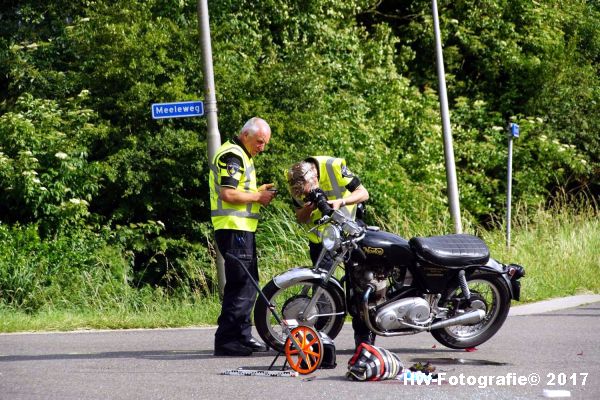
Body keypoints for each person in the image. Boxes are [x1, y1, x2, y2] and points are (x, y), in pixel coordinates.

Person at [286, 156, 374, 348]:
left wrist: (340, 202)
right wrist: (310, 205)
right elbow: (300, 218)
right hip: (322, 240)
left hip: (349, 234)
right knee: (323, 290)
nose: (303, 195)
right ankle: (322, 340)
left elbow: (363, 193)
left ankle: (364, 340)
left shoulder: (334, 166)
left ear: (315, 178)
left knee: (358, 286)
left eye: (307, 191)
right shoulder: (293, 179)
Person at [209, 117, 276, 356]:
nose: (262, 147)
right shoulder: (233, 156)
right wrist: (258, 198)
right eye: (259, 142)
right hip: (234, 228)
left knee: (248, 283)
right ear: (245, 135)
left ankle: (243, 336)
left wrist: (257, 192)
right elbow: (228, 193)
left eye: (264, 143)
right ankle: (228, 341)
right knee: (241, 285)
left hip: (240, 228)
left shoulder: (241, 154)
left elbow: (238, 191)